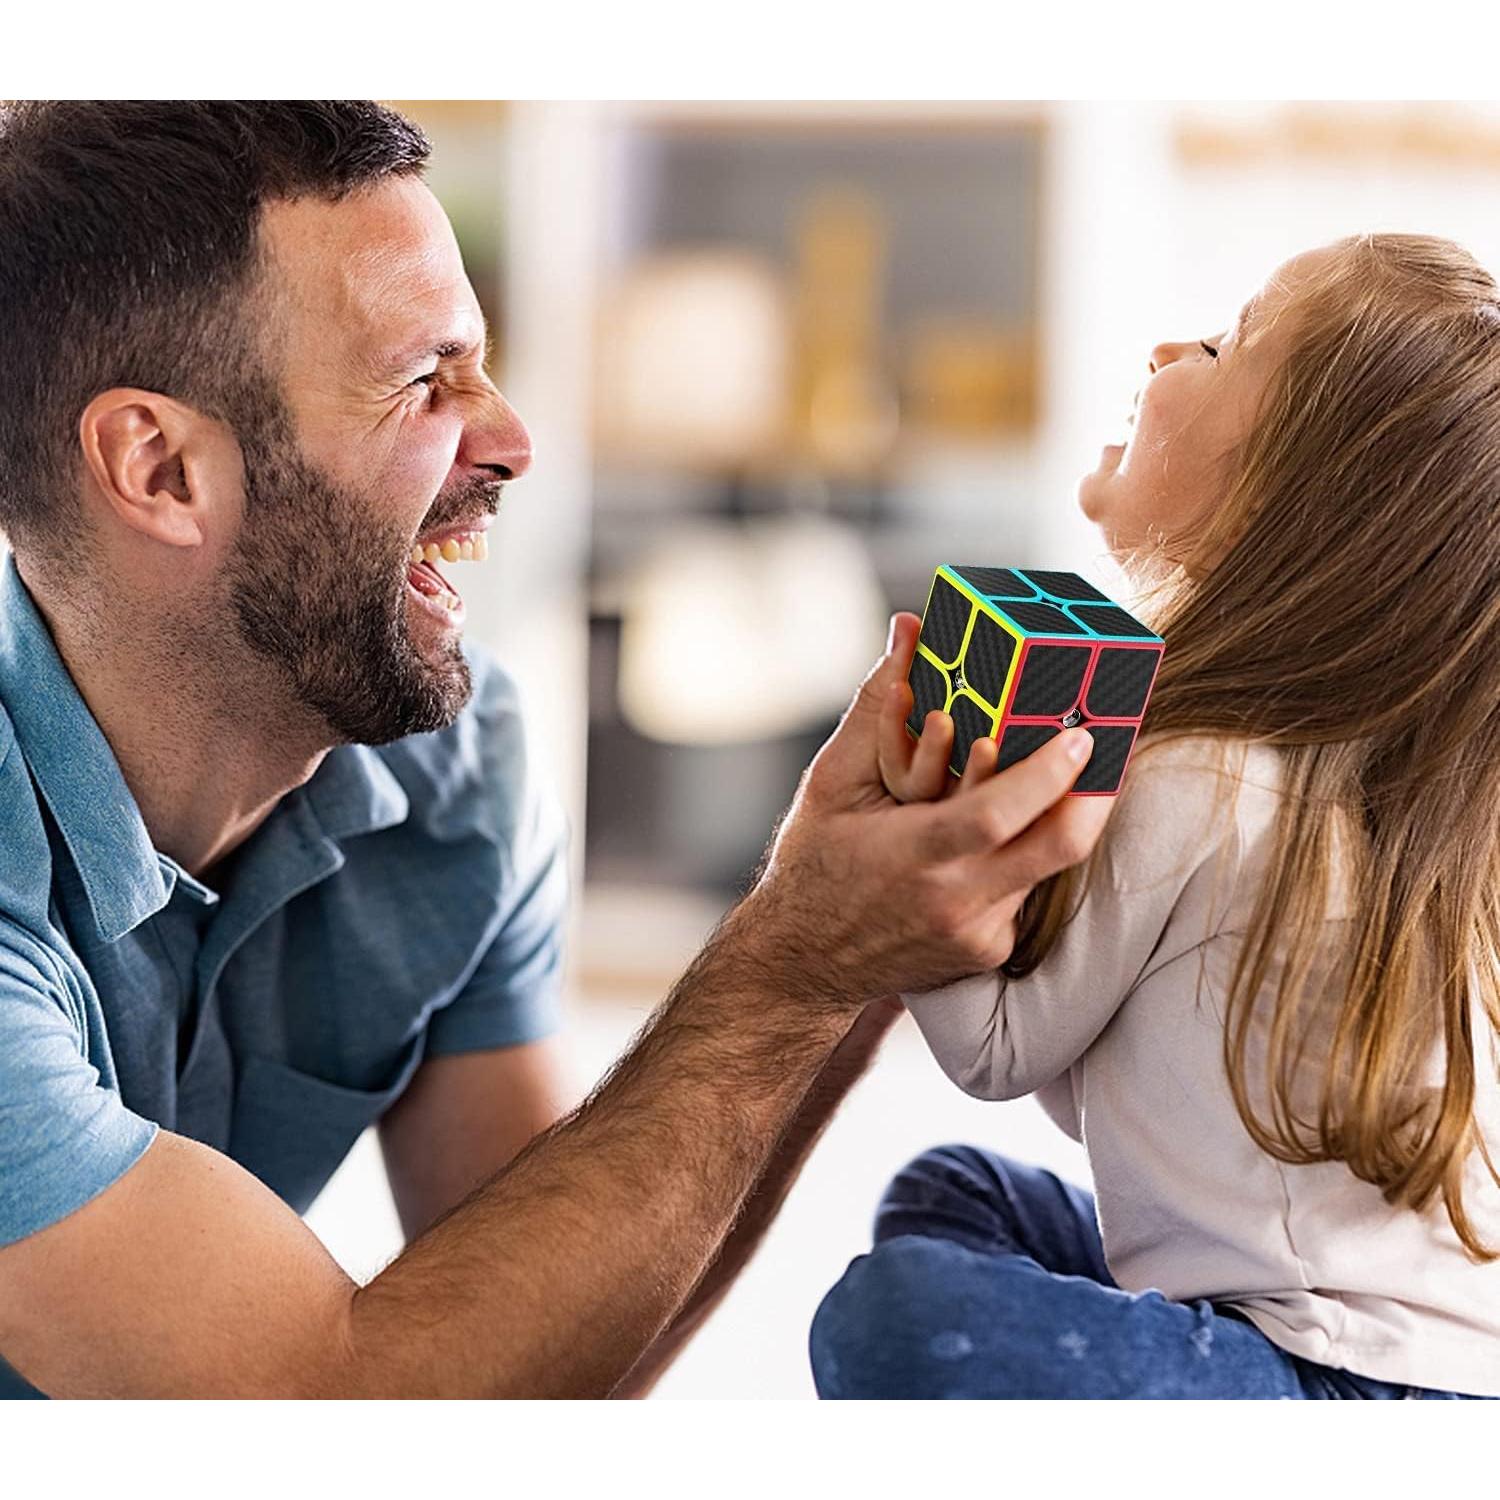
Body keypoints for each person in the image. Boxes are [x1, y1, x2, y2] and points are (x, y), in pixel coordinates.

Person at [0, 101, 1110, 1399]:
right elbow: (313, 1421)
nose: (514, 440)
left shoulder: (452, 768)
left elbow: (538, 1372)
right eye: (422, 380)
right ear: (162, 469)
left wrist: (855, 960)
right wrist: (792, 962)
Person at [810, 233, 1500, 1400]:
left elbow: (999, 1054)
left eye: (1228, 342)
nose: (1169, 347)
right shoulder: (1395, 804)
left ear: (1295, 497)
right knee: (956, 1195)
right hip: (1447, 1373)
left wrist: (906, 874)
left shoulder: (1197, 774)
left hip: (1319, 1382)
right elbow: (1121, 1093)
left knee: (899, 1316)